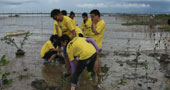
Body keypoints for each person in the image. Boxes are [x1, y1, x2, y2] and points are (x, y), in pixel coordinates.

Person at [51, 9, 77, 76]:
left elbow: (74, 33)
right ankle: (68, 71)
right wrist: (62, 41)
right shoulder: (59, 21)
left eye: (55, 18)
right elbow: (62, 31)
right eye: (54, 19)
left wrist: (71, 43)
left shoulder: (67, 20)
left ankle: (76, 72)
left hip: (71, 41)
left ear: (59, 14)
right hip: (65, 41)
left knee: (72, 57)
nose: (55, 20)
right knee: (65, 56)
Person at [90, 9, 106, 85]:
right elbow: (92, 30)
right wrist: (93, 23)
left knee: (96, 59)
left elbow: (96, 32)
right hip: (93, 43)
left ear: (97, 15)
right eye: (91, 17)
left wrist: (93, 23)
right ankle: (99, 73)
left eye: (93, 16)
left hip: (97, 44)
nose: (92, 18)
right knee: (96, 59)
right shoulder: (95, 22)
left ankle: (94, 73)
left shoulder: (102, 22)